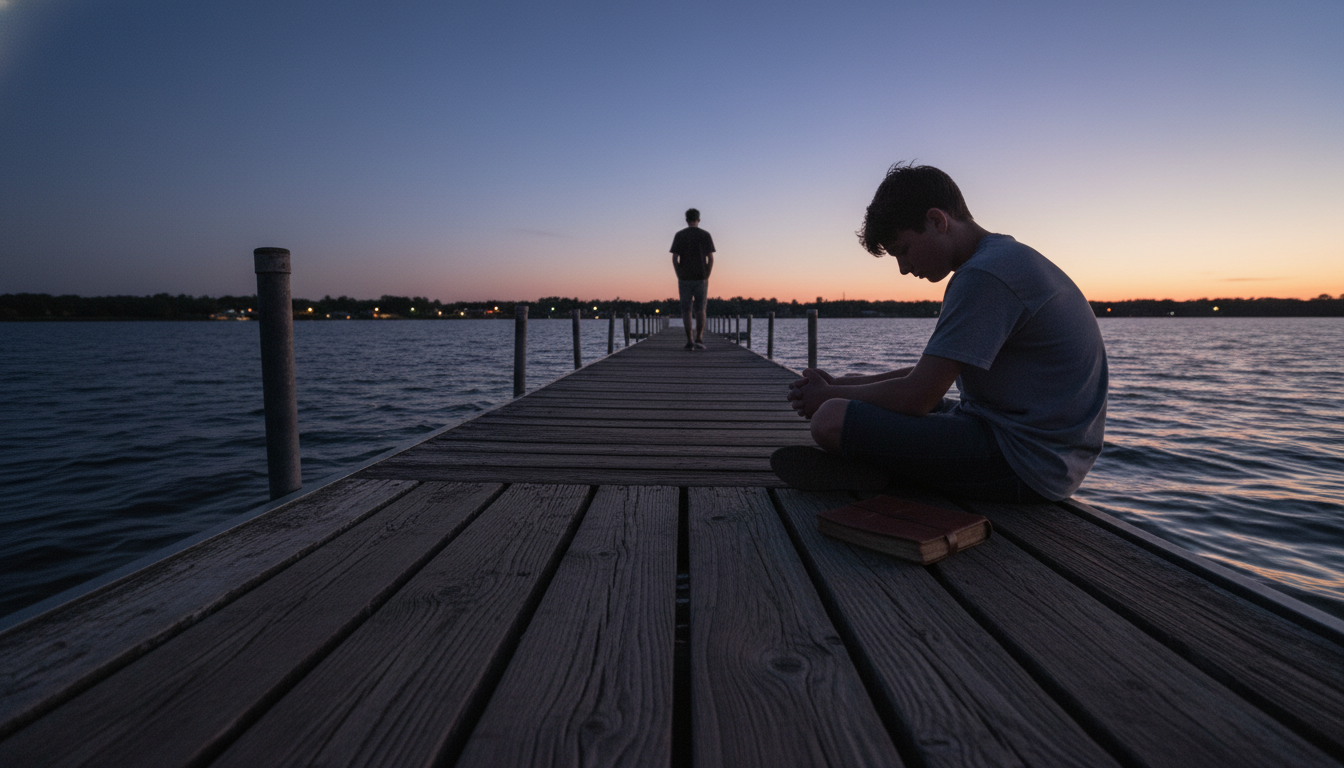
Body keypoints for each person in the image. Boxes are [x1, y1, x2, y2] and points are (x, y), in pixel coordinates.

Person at [780, 163, 1107, 502]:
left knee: (830, 419)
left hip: (1026, 461)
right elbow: (931, 376)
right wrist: (837, 384)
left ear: (937, 221)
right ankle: (891, 467)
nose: (904, 268)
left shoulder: (984, 275)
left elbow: (917, 397)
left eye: (903, 250)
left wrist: (827, 399)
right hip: (1039, 452)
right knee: (844, 396)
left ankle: (885, 472)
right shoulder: (1001, 260)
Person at [670, 208, 715, 350]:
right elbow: (710, 257)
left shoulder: (680, 235)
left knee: (686, 310)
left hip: (684, 277)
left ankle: (689, 340)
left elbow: (675, 257)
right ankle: (699, 338)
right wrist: (707, 274)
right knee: (701, 308)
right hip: (701, 277)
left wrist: (678, 273)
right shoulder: (705, 235)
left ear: (686, 220)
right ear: (699, 220)